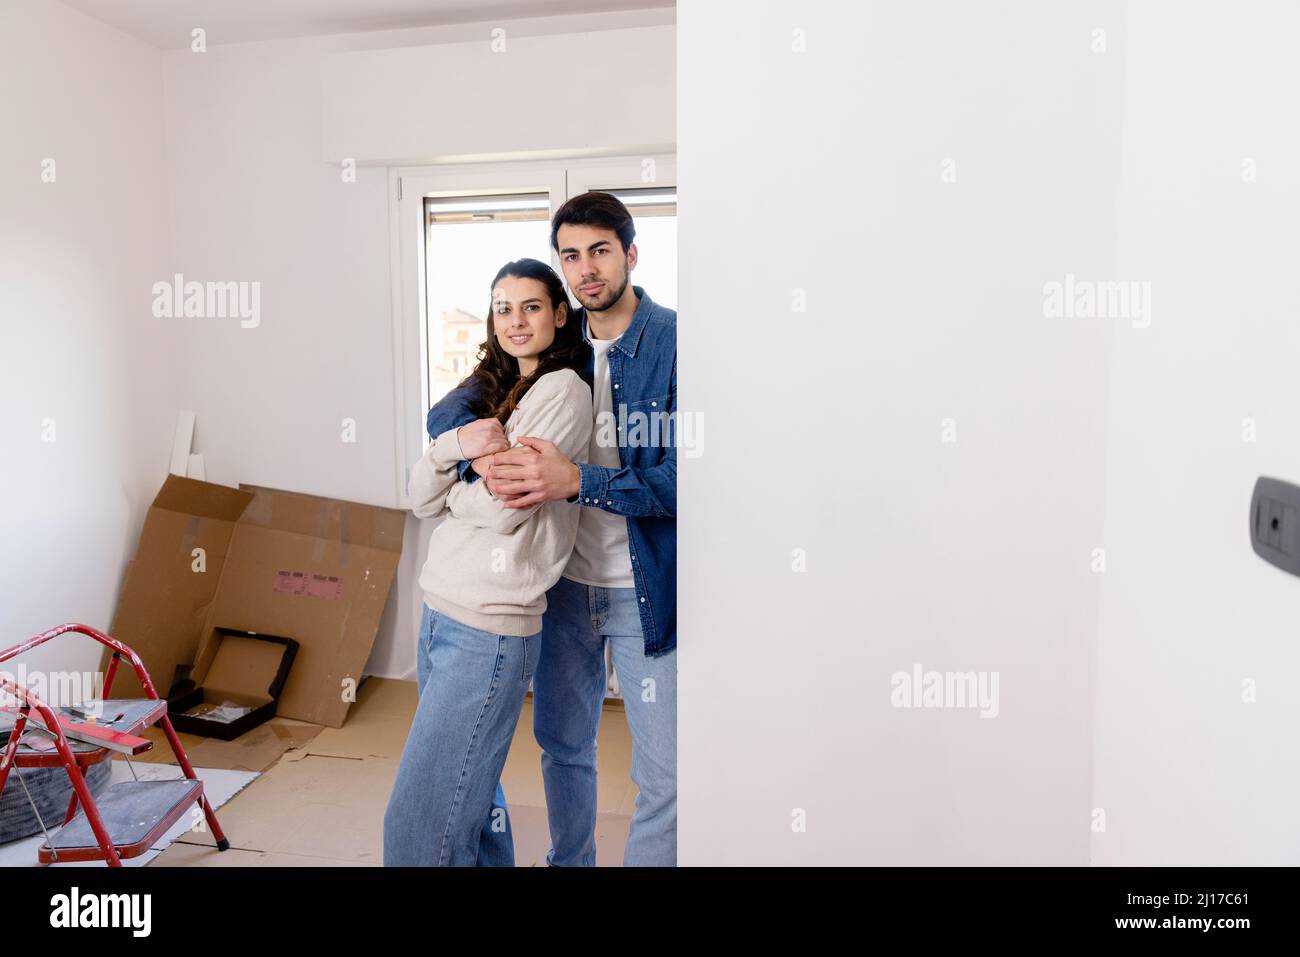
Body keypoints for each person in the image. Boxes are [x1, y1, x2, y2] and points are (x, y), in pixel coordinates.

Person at [425, 191, 677, 866]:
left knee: (666, 778)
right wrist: (456, 441)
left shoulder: (675, 344)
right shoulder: (556, 354)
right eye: (571, 254)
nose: (586, 267)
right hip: (562, 586)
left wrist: (579, 481)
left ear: (630, 253)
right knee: (564, 747)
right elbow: (454, 410)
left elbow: (686, 481)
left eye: (600, 250)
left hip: (646, 588)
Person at [383, 258, 593, 867]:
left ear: (559, 314)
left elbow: (506, 510)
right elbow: (417, 496)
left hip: (490, 627)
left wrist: (454, 489)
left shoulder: (563, 392)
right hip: (440, 613)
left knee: (421, 823)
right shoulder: (490, 391)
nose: (516, 320)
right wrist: (454, 448)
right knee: (471, 803)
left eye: (531, 306)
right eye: (503, 308)